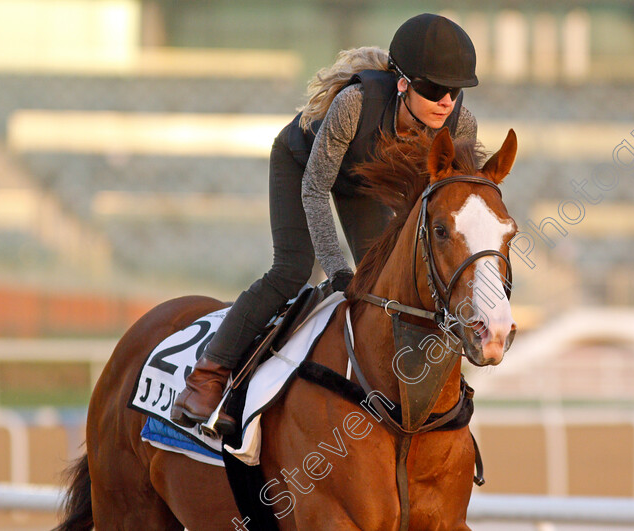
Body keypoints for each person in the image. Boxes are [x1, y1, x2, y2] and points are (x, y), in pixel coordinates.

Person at [171, 13, 480, 435]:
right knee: (293, 269)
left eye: (455, 89)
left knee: (382, 282)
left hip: (362, 181)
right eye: (433, 88)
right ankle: (208, 376)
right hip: (302, 166)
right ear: (403, 83)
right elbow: (315, 190)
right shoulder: (354, 103)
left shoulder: (460, 125)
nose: (446, 100)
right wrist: (336, 268)